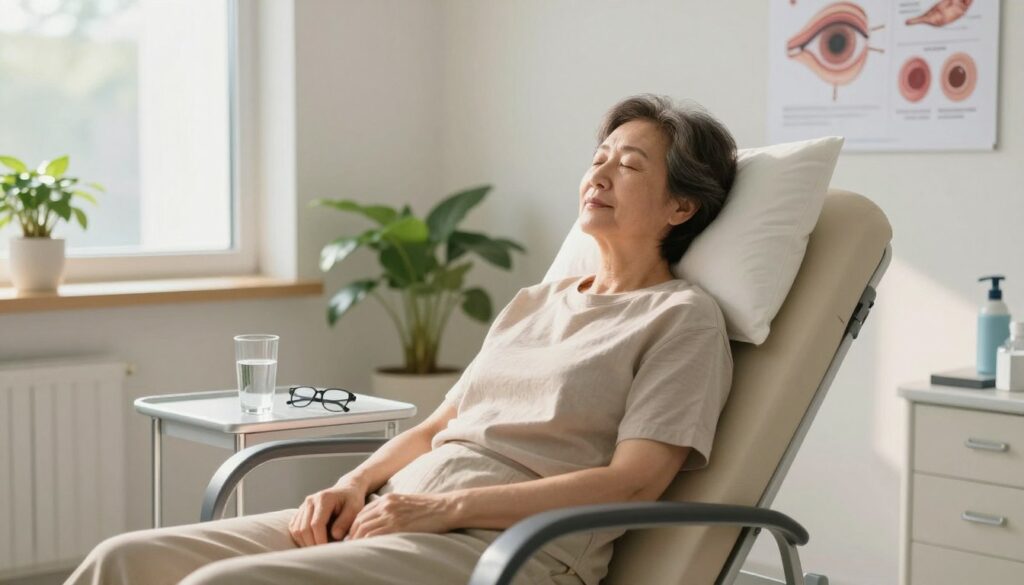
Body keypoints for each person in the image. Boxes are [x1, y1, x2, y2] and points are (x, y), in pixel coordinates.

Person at [65, 93, 737, 585]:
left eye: (630, 165)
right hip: (400, 512)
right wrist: (353, 483)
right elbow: (441, 423)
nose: (599, 174)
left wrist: (446, 508)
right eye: (598, 158)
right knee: (122, 560)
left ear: (681, 206)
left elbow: (635, 481)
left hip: (510, 545)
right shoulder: (537, 300)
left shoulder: (682, 318)